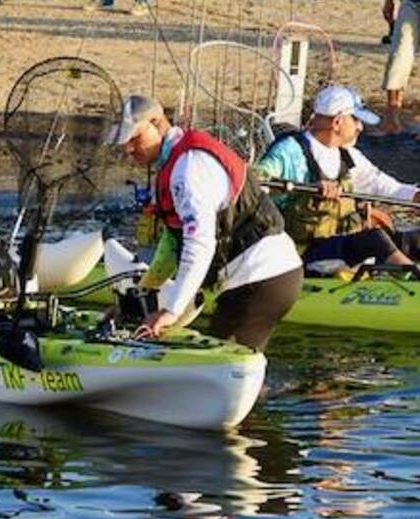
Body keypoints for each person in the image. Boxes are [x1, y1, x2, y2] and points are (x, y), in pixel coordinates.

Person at [108, 94, 302, 350]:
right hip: (263, 277)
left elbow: (198, 244)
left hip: (262, 276)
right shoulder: (175, 163)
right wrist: (134, 297)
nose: (129, 149)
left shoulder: (188, 169)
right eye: (124, 142)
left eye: (135, 138)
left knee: (227, 369)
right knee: (228, 364)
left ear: (157, 123)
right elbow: (171, 244)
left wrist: (172, 311)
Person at [254, 85, 420, 269]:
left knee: (415, 237)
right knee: (374, 239)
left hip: (339, 245)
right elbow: (255, 184)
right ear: (337, 122)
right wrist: (310, 187)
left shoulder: (347, 155)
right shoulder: (289, 151)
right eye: (355, 119)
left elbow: (390, 188)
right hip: (301, 254)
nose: (360, 127)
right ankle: (417, 287)